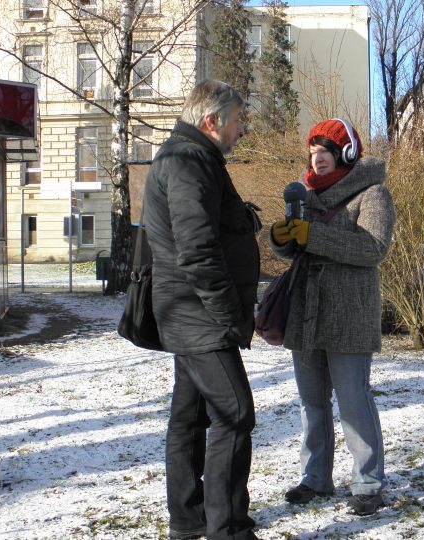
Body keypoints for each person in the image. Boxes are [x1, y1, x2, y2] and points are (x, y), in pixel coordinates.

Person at [143, 80, 260, 540]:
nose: (241, 129)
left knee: (189, 418)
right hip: (200, 317)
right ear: (211, 122)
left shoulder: (189, 157)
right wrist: (229, 313)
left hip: (187, 314)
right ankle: (226, 529)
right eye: (236, 120)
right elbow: (197, 251)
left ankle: (188, 522)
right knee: (235, 414)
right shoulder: (188, 163)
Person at [269, 118, 396, 516]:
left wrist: (313, 236)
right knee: (312, 404)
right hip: (305, 314)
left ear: (346, 152)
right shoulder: (304, 193)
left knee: (353, 401)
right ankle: (315, 479)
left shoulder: (373, 193)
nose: (317, 159)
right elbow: (298, 252)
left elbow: (372, 249)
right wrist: (283, 240)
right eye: (312, 153)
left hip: (349, 315)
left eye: (325, 152)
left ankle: (368, 482)